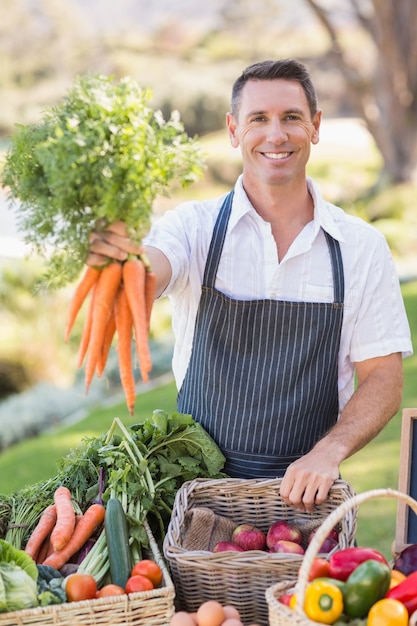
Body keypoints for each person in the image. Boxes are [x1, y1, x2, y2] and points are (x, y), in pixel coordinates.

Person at [87, 59, 413, 512]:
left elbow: (384, 377)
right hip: (192, 499)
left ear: (315, 127)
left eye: (291, 118)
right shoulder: (193, 229)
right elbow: (147, 276)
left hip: (305, 501)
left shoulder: (360, 247)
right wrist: (123, 259)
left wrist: (328, 453)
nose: (275, 135)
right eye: (258, 119)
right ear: (233, 130)